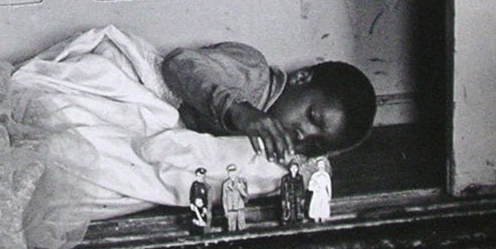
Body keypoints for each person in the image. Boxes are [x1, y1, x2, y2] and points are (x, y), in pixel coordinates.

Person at [161, 41, 376, 163]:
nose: (304, 135)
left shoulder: (275, 150)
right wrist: (240, 112)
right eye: (312, 117)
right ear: (300, 78)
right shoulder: (254, 71)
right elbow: (179, 63)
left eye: (316, 143)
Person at [221, 163, 249, 231]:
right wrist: (225, 210)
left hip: (240, 208)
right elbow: (224, 198)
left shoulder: (241, 181)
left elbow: (246, 196)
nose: (232, 174)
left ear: (236, 172)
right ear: (228, 173)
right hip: (231, 209)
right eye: (230, 172)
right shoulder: (225, 184)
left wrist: (240, 189)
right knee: (231, 228)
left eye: (233, 172)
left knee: (242, 227)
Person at [279, 159, 306, 226]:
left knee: (298, 207)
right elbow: (282, 189)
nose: (294, 169)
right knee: (288, 208)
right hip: (288, 196)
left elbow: (302, 187)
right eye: (292, 168)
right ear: (290, 168)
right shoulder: (285, 178)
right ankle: (287, 220)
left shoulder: (300, 177)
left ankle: (298, 219)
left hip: (297, 195)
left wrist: (302, 196)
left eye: (295, 168)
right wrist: (283, 197)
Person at [307, 156, 333, 222]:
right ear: (317, 166)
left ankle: (323, 220)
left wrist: (329, 195)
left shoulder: (326, 175)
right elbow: (310, 185)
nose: (321, 166)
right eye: (319, 164)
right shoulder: (315, 175)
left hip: (323, 193)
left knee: (323, 206)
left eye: (322, 164)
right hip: (317, 193)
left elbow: (329, 186)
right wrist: (315, 188)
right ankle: (316, 220)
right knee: (316, 206)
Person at [188, 166, 212, 234]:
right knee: (194, 222)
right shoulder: (194, 185)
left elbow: (206, 198)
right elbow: (191, 194)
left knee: (202, 224)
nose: (200, 178)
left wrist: (204, 207)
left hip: (201, 208)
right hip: (194, 207)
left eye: (202, 176)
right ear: (196, 176)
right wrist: (192, 203)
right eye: (198, 176)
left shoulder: (206, 187)